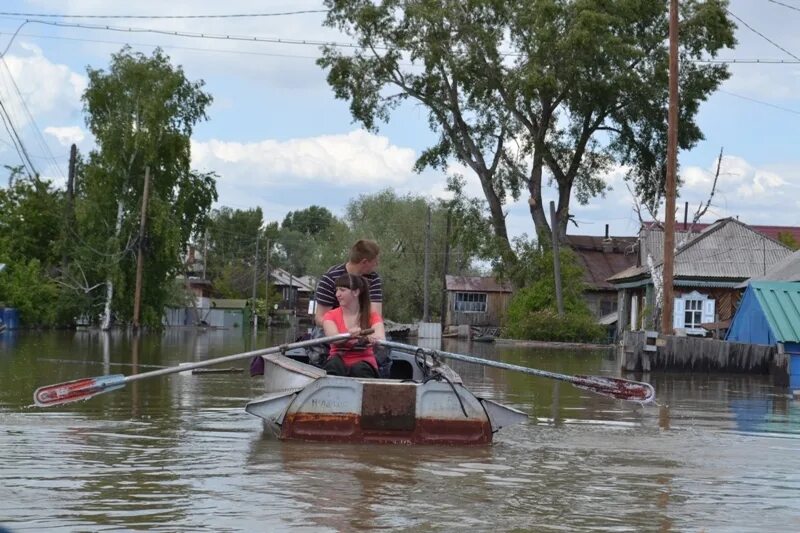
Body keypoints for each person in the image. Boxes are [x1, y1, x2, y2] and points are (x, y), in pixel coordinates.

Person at [321, 273, 385, 378]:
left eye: (342, 290)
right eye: (336, 290)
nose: (337, 294)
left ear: (356, 292)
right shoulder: (330, 315)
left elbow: (381, 339)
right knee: (334, 365)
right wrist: (349, 335)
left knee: (359, 369)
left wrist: (370, 338)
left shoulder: (372, 316)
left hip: (364, 363)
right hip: (337, 361)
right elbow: (333, 338)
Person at [314, 239, 382, 326]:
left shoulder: (373, 278)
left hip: (362, 327)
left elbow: (375, 315)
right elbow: (320, 318)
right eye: (375, 261)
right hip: (331, 329)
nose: (377, 264)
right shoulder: (330, 278)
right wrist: (345, 330)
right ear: (364, 262)